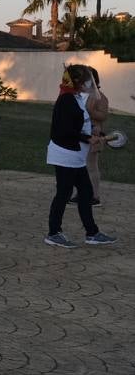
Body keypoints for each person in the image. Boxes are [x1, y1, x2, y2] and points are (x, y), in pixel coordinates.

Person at [44, 65, 114, 249]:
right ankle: (53, 233)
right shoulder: (66, 100)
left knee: (86, 193)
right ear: (78, 82)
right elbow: (65, 130)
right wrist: (86, 138)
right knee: (64, 194)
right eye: (88, 80)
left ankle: (92, 233)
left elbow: (80, 124)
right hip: (64, 154)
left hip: (75, 155)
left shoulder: (75, 97)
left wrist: (94, 132)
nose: (91, 83)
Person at [80, 66, 108, 207]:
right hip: (81, 136)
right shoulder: (80, 94)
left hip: (94, 136)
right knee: (80, 166)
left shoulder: (101, 97)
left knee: (91, 166)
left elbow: (103, 116)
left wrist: (90, 111)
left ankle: (95, 196)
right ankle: (80, 193)